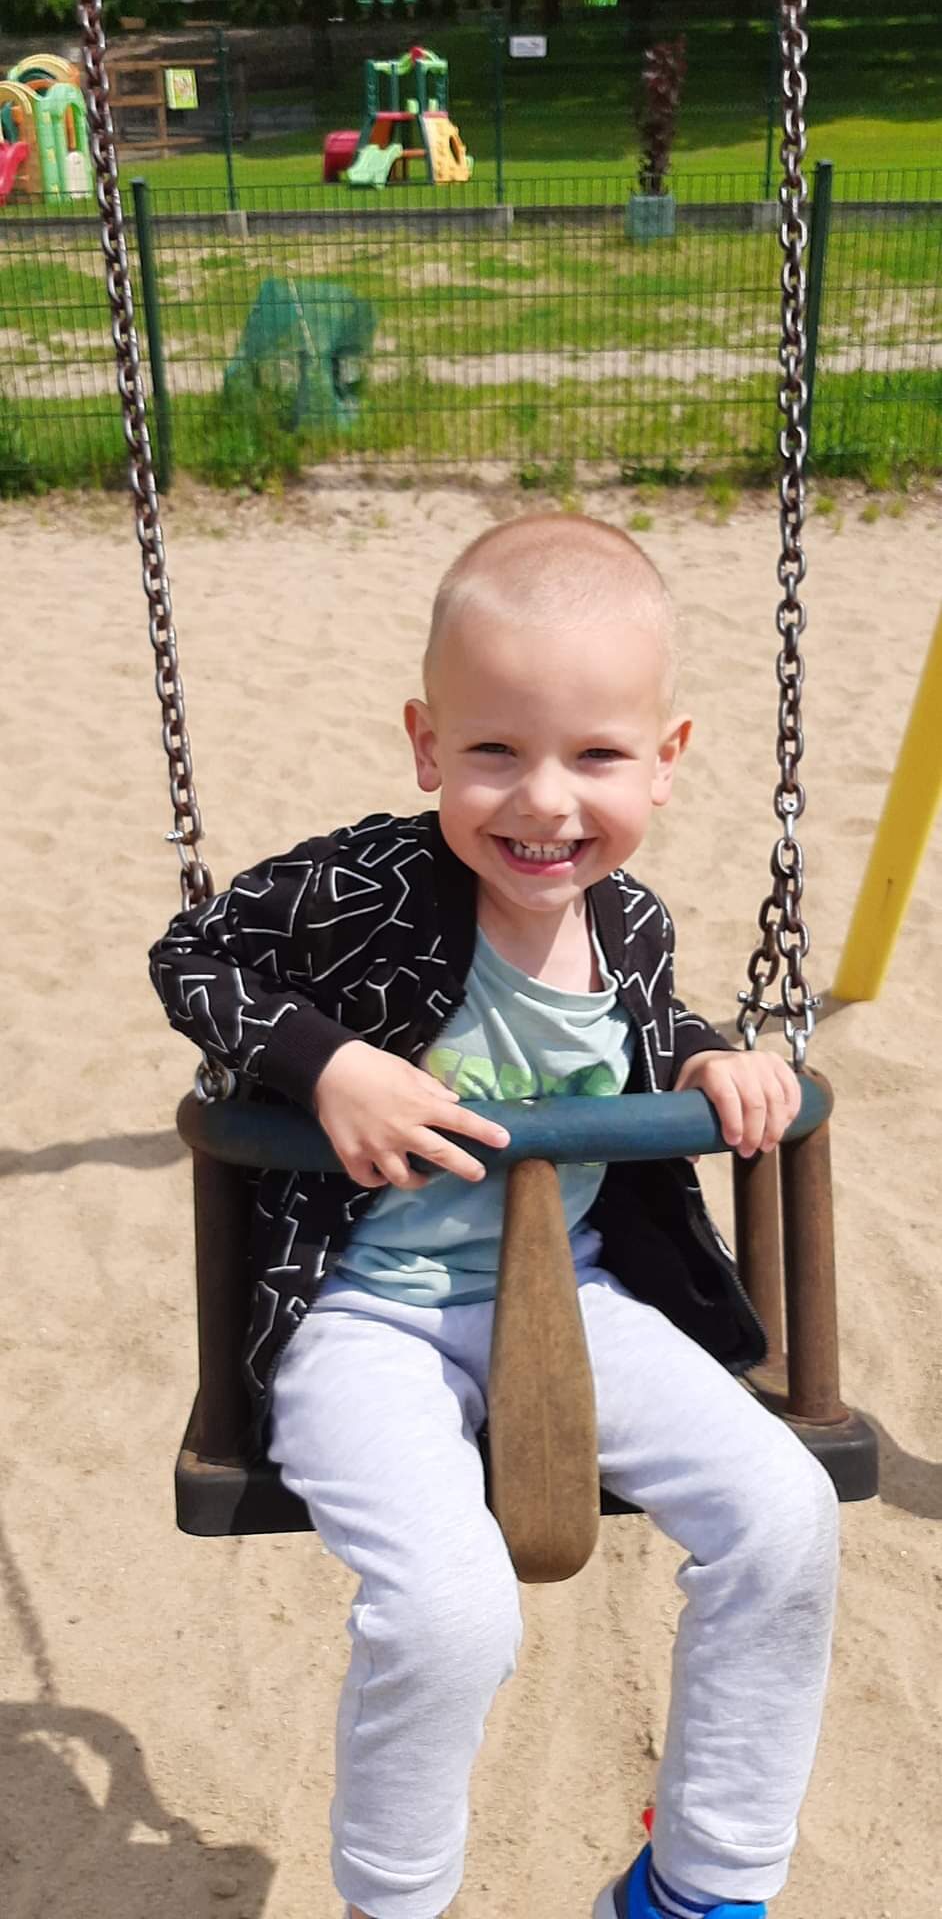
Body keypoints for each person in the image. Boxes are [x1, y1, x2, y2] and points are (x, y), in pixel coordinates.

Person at [150, 514, 839, 1919]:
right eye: (493, 751)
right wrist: (327, 1065)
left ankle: (699, 1886)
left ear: (666, 758)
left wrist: (709, 1059)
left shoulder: (632, 922)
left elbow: (645, 1022)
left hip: (569, 1299)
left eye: (596, 756)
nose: (543, 802)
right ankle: (395, 1903)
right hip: (362, 1318)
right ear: (425, 746)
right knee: (452, 1611)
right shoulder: (366, 889)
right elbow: (194, 958)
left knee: (785, 1518)